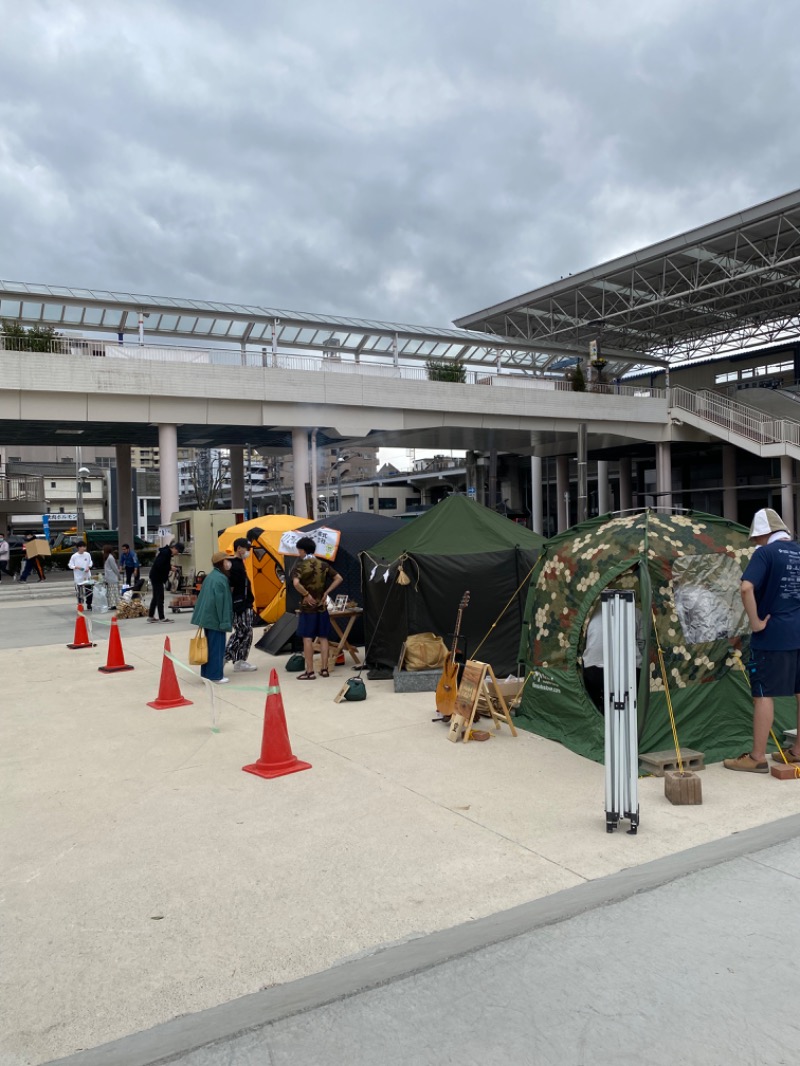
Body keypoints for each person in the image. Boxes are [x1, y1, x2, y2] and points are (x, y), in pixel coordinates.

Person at [724, 508, 800, 773]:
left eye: (756, 538)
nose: (756, 543)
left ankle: (757, 757)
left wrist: (756, 622)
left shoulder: (765, 553)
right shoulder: (798, 551)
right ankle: (798, 751)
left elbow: (746, 587)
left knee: (764, 693)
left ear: (764, 533)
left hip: (773, 634)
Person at [291, 535, 343, 680]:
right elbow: (339, 578)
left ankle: (310, 671)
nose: (298, 553)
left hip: (308, 608)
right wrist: (326, 592)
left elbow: (296, 583)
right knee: (323, 638)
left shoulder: (300, 566)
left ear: (302, 550)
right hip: (322, 607)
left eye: (299, 550)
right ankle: (325, 669)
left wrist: (306, 594)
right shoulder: (323, 565)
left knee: (307, 638)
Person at [582, 598, 643, 714]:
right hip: (629, 674)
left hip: (594, 672)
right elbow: (642, 644)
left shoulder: (590, 612)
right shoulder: (637, 612)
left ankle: (599, 714)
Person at [191, 550, 233, 683]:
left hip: (207, 617)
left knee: (209, 647)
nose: (229, 563)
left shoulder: (211, 577)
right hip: (215, 618)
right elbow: (222, 603)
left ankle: (207, 673)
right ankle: (215, 676)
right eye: (227, 560)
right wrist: (224, 622)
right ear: (222, 563)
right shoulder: (221, 579)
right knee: (217, 647)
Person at [224, 538, 257, 673]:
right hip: (239, 604)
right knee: (242, 630)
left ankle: (239, 660)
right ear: (239, 548)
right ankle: (226, 656)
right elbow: (231, 586)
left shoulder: (239, 563)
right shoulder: (232, 564)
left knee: (246, 631)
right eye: (246, 549)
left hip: (244, 602)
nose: (248, 552)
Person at [147, 541, 184, 623]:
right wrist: (170, 568)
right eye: (177, 552)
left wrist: (169, 567)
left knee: (156, 597)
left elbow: (161, 564)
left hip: (155, 576)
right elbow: (160, 565)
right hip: (157, 577)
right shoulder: (166, 553)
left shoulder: (166, 552)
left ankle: (150, 616)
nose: (177, 554)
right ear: (174, 548)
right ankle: (162, 617)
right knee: (160, 597)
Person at [68, 541, 94, 609]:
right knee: (79, 592)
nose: (84, 548)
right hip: (79, 577)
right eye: (82, 547)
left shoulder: (87, 554)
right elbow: (70, 565)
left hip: (87, 576)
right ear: (79, 547)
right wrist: (76, 567)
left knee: (89, 590)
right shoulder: (74, 556)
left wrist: (89, 567)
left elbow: (90, 562)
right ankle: (80, 604)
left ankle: (89, 604)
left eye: (84, 546)